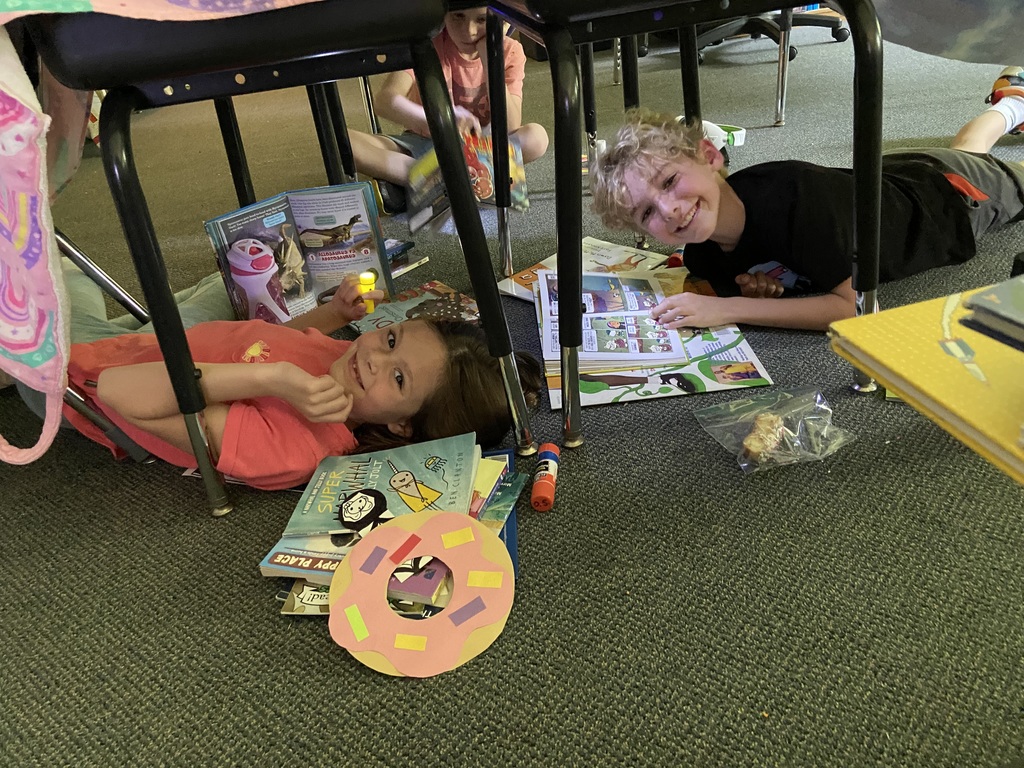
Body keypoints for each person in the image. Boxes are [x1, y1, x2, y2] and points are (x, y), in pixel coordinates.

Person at [16, 262, 541, 491]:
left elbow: (117, 391)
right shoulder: (341, 371)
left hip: (78, 380)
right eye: (390, 339)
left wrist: (275, 381)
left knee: (46, 277)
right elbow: (286, 341)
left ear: (404, 427)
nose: (375, 359)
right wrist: (334, 315)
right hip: (172, 339)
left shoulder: (296, 448)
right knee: (223, 282)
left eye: (398, 380)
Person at [589, 66, 1024, 332]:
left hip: (947, 200)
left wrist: (725, 309)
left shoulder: (792, 199)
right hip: (887, 176)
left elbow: (856, 309)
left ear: (708, 155)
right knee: (968, 148)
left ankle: (1010, 105)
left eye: (668, 182)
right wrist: (769, 289)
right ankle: (1011, 105)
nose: (669, 209)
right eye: (646, 213)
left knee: (984, 166)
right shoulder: (704, 259)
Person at [347, 6, 549, 212]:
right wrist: (440, 118)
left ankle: (421, 183)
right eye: (458, 16)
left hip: (482, 150)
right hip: (425, 144)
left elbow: (510, 124)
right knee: (343, 143)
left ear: (505, 22)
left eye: (481, 19)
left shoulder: (511, 50)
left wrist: (490, 60)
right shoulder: (426, 44)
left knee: (537, 137)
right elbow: (386, 101)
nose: (468, 30)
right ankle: (448, 180)